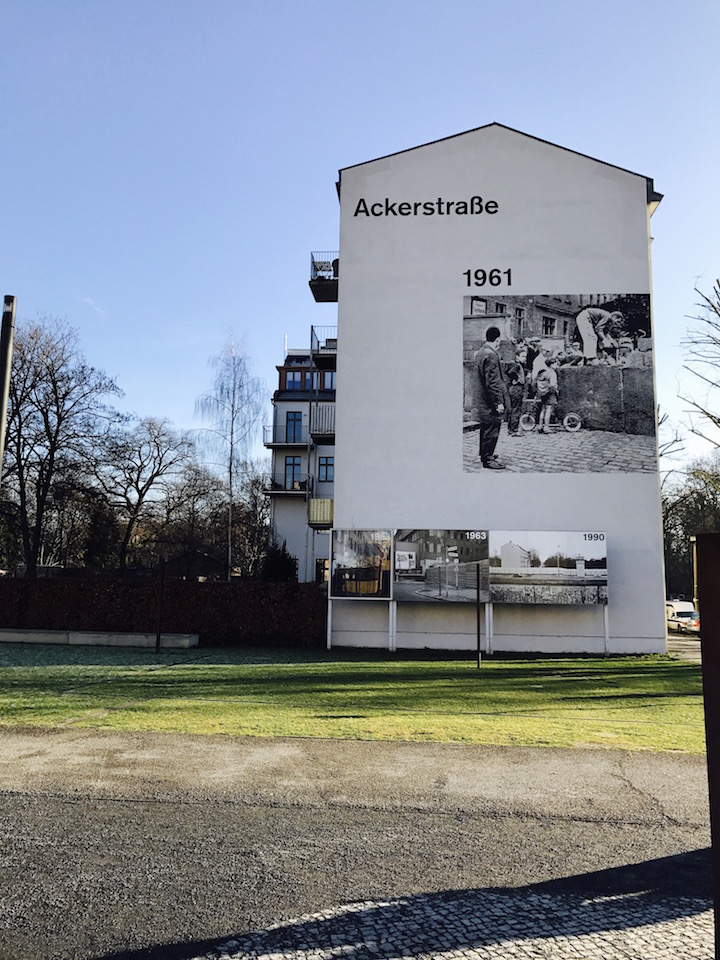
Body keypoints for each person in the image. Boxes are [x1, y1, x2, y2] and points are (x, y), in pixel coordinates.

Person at [475, 326, 508, 469]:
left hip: (482, 398)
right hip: (489, 400)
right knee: (492, 428)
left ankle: (484, 454)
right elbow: (493, 382)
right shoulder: (492, 355)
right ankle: (488, 459)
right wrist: (499, 402)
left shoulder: (481, 352)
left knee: (485, 427)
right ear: (498, 339)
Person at [534, 357, 559, 433]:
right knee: (548, 410)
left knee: (543, 409)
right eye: (555, 364)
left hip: (542, 393)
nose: (556, 365)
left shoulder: (542, 372)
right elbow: (553, 385)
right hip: (549, 393)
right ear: (552, 365)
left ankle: (540, 426)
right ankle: (546, 427)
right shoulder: (552, 373)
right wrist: (556, 391)